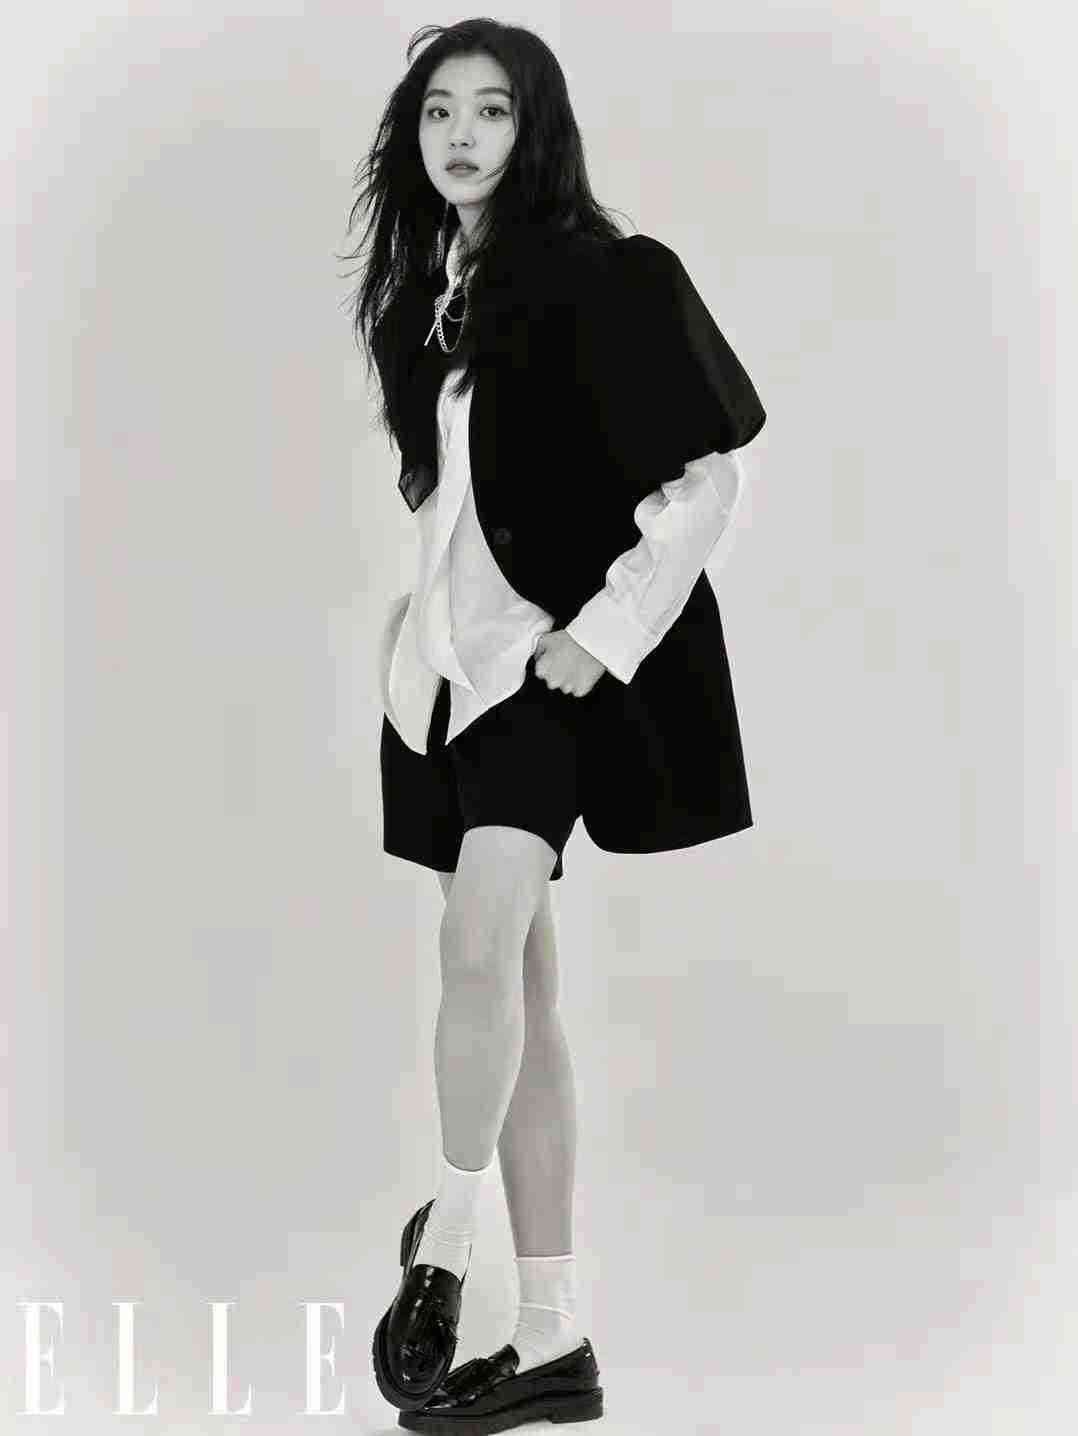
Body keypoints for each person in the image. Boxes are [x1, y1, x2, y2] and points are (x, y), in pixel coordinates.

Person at [341, 18, 766, 1433]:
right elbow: (450, 511)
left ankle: (444, 1244)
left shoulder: (609, 277)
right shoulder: (427, 305)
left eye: (493, 110)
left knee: (475, 949)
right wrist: (411, 643)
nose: (461, 135)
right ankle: (552, 1334)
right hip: (442, 687)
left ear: (538, 132)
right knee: (513, 995)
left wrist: (604, 633)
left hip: (546, 680)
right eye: (438, 111)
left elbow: (706, 482)